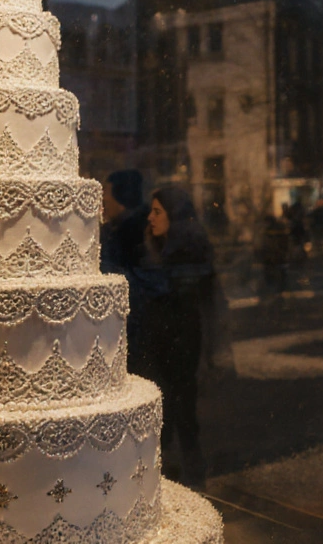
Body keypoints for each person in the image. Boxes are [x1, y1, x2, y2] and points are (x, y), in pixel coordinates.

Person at [137, 185, 215, 487]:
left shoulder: (186, 258)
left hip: (180, 347)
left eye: (158, 212)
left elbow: (199, 306)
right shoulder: (156, 254)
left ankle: (191, 480)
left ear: (175, 216)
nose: (150, 217)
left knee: (182, 414)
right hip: (161, 347)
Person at [100, 170, 150, 371]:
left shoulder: (133, 232)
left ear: (120, 198)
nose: (103, 201)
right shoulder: (118, 229)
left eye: (106, 194)